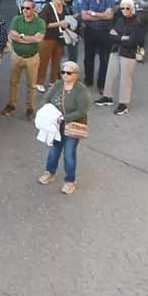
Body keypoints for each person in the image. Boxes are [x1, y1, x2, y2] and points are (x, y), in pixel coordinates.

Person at [38, 61, 92, 195]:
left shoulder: (81, 90)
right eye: (63, 72)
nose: (65, 75)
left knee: (69, 154)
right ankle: (50, 172)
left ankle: (70, 181)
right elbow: (46, 99)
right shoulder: (58, 85)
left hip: (70, 126)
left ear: (76, 75)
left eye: (69, 73)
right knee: (54, 150)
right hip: (56, 125)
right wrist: (50, 112)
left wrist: (64, 118)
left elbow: (82, 110)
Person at [97, 0, 145, 115]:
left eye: (127, 8)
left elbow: (133, 41)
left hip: (128, 54)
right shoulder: (119, 20)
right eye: (122, 8)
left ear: (132, 9)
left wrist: (118, 37)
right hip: (115, 50)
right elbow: (111, 36)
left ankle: (123, 103)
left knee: (125, 79)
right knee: (110, 74)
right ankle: (107, 97)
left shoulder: (137, 22)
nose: (124, 10)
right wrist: (122, 37)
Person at [4, 0, 46, 119]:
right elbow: (12, 35)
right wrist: (29, 38)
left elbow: (38, 39)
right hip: (16, 55)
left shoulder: (40, 22)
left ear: (34, 10)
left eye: (27, 8)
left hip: (32, 57)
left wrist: (21, 37)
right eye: (23, 8)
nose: (24, 10)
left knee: (32, 85)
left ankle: (30, 108)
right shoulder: (17, 19)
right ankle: (11, 104)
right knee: (13, 82)